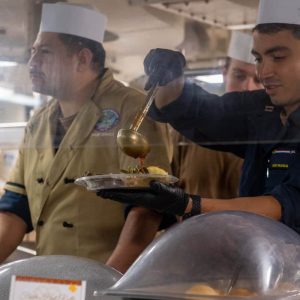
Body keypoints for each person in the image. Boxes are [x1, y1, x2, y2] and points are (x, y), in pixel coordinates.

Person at [98, 0, 300, 234]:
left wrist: (187, 205)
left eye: (278, 58)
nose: (264, 72)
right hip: (262, 258)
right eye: (259, 58)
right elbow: (199, 112)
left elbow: (286, 204)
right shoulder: (263, 109)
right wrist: (171, 79)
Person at [0, 3, 172, 273]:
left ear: (82, 58)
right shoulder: (38, 122)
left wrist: (104, 284)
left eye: (44, 52)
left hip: (108, 276)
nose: (32, 62)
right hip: (49, 278)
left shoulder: (132, 110)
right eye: (33, 52)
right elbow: (15, 210)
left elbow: (145, 211)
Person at [171, 31, 263, 198]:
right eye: (239, 76)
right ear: (224, 72)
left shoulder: (272, 134)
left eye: (258, 79)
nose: (247, 87)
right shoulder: (188, 130)